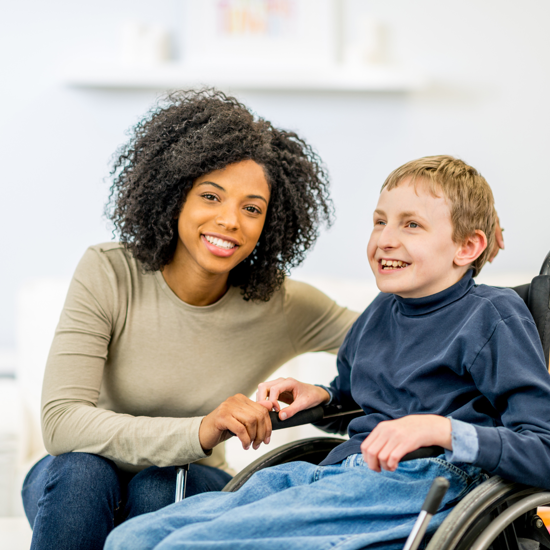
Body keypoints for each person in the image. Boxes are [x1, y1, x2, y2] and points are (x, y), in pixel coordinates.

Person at [104, 155, 550, 550]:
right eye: (380, 221)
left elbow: (542, 447)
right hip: (345, 472)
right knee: (131, 538)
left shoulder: (492, 316)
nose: (386, 239)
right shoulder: (380, 312)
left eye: (411, 224)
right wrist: (322, 398)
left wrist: (440, 429)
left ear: (467, 246)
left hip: (427, 481)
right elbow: (357, 399)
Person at [21, 89, 361, 550]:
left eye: (252, 208)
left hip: (189, 481)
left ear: (270, 223)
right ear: (175, 194)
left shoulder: (285, 304)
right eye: (211, 196)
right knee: (82, 470)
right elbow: (62, 423)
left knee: (159, 484)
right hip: (75, 484)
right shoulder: (109, 271)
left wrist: (459, 263)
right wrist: (197, 429)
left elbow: (401, 338)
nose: (230, 221)